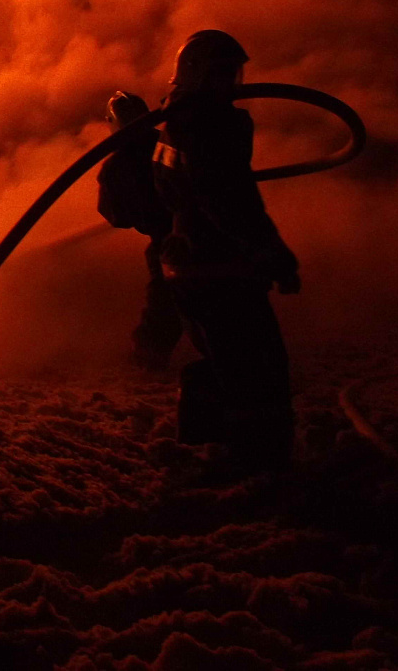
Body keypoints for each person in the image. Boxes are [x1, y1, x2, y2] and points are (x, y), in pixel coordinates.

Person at [152, 30, 300, 474]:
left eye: (234, 72)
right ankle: (257, 459)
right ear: (198, 75)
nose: (231, 82)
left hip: (191, 260)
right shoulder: (207, 127)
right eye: (221, 73)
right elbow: (230, 202)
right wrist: (271, 253)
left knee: (228, 359)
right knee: (257, 368)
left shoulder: (178, 119)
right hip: (217, 265)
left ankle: (211, 438)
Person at [96, 90, 180, 370]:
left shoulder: (116, 166)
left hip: (170, 236)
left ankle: (149, 355)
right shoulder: (170, 141)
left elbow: (117, 216)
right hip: (198, 227)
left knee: (166, 294)